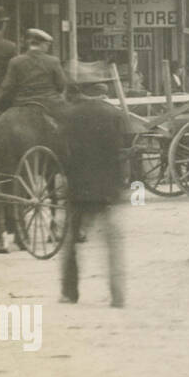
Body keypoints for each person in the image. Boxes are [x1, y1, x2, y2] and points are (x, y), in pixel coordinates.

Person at [59, 80, 127, 307]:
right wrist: (119, 188)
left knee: (70, 244)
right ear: (101, 92)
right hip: (106, 189)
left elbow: (63, 154)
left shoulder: (69, 115)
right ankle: (117, 296)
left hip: (78, 189)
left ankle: (69, 293)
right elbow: (121, 153)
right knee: (112, 244)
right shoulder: (114, 114)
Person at [0, 28, 68, 115]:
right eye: (47, 45)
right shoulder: (53, 61)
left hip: (22, 104)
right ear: (43, 44)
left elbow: (7, 87)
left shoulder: (15, 61)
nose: (47, 48)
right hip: (51, 104)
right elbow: (61, 85)